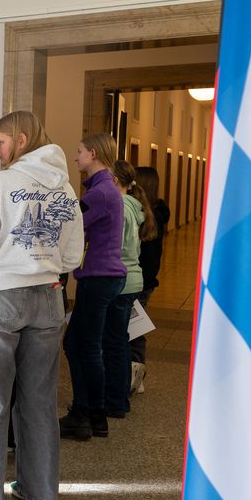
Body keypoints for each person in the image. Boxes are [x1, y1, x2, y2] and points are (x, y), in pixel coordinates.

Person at [0, 110, 83, 500]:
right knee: (41, 398)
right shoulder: (65, 191)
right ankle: (42, 492)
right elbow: (75, 254)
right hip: (49, 294)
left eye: (0, 141)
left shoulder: (0, 184)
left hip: (1, 296)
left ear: (22, 140)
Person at [60, 132, 127, 441]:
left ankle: (90, 414)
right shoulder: (104, 189)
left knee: (84, 346)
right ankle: (88, 412)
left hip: (98, 278)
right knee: (78, 344)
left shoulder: (99, 193)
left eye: (80, 151)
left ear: (95, 154)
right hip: (103, 276)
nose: (76, 157)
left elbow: (69, 224)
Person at [104, 160, 157, 418]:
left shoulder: (123, 208)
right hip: (134, 280)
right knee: (124, 337)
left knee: (118, 339)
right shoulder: (138, 209)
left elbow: (121, 249)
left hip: (125, 280)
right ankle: (125, 387)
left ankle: (120, 390)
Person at [132, 166, 170, 394]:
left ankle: (136, 375)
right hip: (148, 280)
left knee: (133, 328)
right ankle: (137, 372)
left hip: (140, 280)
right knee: (136, 327)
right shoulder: (159, 212)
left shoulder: (145, 215)